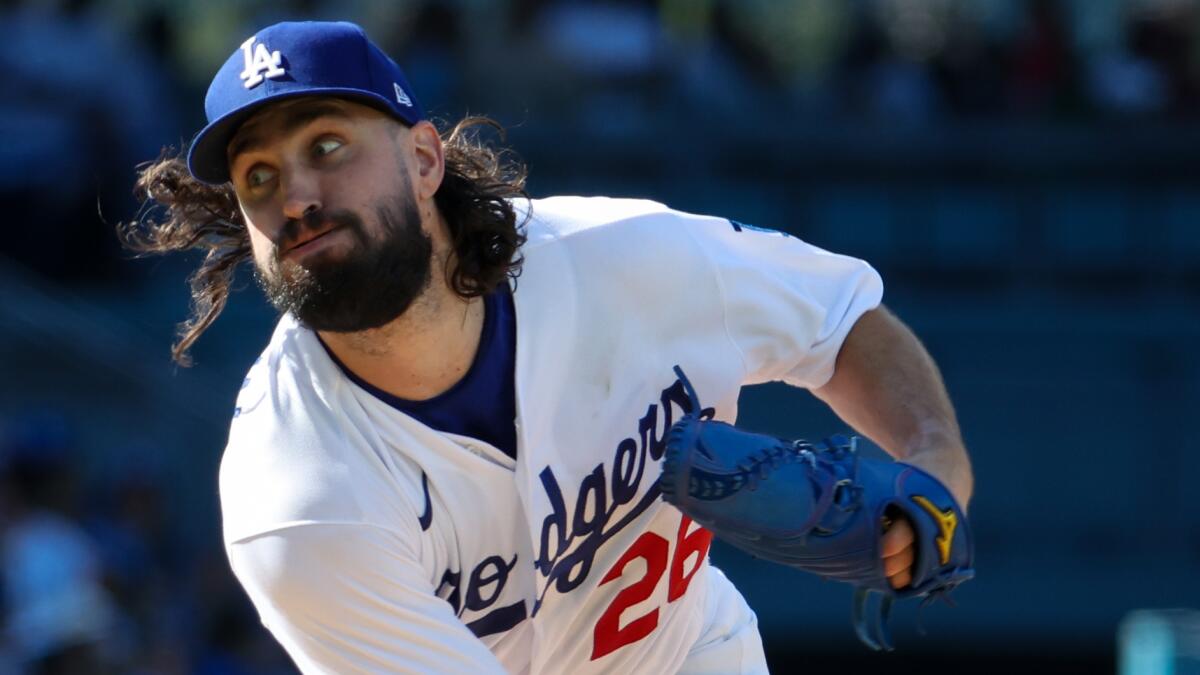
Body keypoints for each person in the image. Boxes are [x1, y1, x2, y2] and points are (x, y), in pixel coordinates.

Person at [122, 20, 973, 674]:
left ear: (424, 159)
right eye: (258, 178)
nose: (296, 196)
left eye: (327, 146)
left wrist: (936, 468)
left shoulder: (626, 258)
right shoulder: (299, 499)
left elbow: (840, 321)